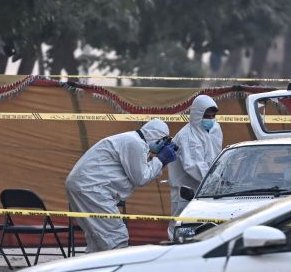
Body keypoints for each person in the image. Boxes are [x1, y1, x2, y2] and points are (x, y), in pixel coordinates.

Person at [65, 119, 177, 252]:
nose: (164, 146)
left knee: (98, 240)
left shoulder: (133, 141)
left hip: (86, 186)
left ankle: (94, 270)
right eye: (164, 141)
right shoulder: (134, 143)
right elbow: (140, 178)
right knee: (116, 237)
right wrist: (160, 159)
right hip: (91, 188)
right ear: (157, 137)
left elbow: (142, 172)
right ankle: (117, 269)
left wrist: (160, 162)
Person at [167, 95, 222, 232]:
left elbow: (216, 156)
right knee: (181, 224)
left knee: (203, 227)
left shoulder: (215, 129)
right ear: (197, 115)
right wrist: (215, 181)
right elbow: (193, 166)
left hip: (206, 187)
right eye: (207, 116)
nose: (210, 120)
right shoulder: (187, 136)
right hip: (185, 189)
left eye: (212, 116)